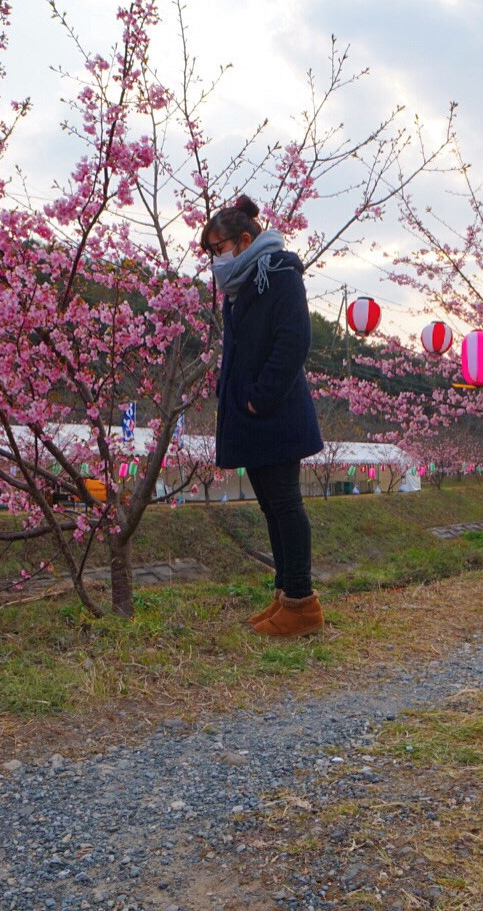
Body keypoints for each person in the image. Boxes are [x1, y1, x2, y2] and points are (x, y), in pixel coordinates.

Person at [202, 196, 325, 637]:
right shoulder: (240, 286)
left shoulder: (280, 274)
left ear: (244, 239)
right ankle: (285, 595)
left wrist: (259, 398)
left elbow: (294, 341)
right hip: (251, 415)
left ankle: (303, 603)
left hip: (275, 412)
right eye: (211, 252)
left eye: (219, 248)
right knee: (272, 508)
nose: (215, 259)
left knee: (286, 504)